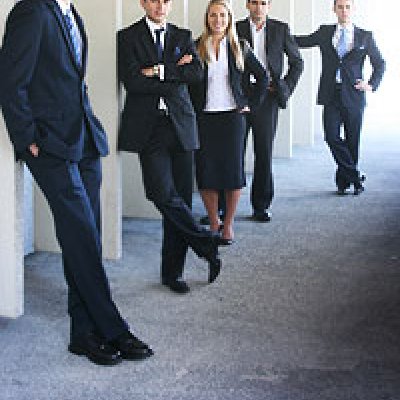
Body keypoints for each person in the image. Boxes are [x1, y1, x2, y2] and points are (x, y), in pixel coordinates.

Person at [0, 0, 153, 366]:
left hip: (83, 140)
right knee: (82, 234)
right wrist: (27, 139)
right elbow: (10, 80)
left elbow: (69, 80)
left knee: (86, 237)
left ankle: (82, 332)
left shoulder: (73, 15)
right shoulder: (32, 11)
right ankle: (113, 327)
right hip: (50, 146)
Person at [118, 0, 222, 295]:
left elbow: (196, 75)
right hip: (149, 129)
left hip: (181, 126)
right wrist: (173, 74)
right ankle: (205, 242)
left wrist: (157, 71)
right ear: (143, 3)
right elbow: (133, 81)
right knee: (162, 193)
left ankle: (172, 273)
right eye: (154, 0)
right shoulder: (127, 36)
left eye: (165, 0)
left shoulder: (182, 36)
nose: (160, 5)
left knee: (181, 202)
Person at [190, 0, 269, 244]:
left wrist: (250, 105)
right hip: (204, 118)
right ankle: (214, 222)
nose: (218, 20)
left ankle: (229, 226)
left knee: (232, 172)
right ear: (207, 19)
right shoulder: (195, 47)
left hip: (232, 118)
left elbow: (263, 77)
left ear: (229, 19)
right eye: (213, 15)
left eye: (223, 15)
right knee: (206, 172)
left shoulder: (239, 47)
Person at [295, 0, 385, 195]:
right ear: (334, 9)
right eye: (340, 7)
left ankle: (344, 182)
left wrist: (370, 85)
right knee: (332, 136)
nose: (344, 11)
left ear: (353, 9)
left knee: (352, 140)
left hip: (354, 95)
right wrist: (279, 34)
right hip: (331, 93)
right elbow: (302, 41)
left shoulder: (365, 36)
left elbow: (380, 63)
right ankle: (355, 176)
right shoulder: (325, 32)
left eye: (347, 7)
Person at [236, 0, 303, 222]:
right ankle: (224, 208)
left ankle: (261, 206)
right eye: (254, 2)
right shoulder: (235, 29)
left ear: (269, 5)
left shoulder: (280, 29)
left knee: (263, 153)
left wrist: (284, 87)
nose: (258, 7)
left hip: (268, 98)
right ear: (247, 4)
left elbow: (297, 62)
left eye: (263, 3)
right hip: (241, 97)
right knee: (233, 153)